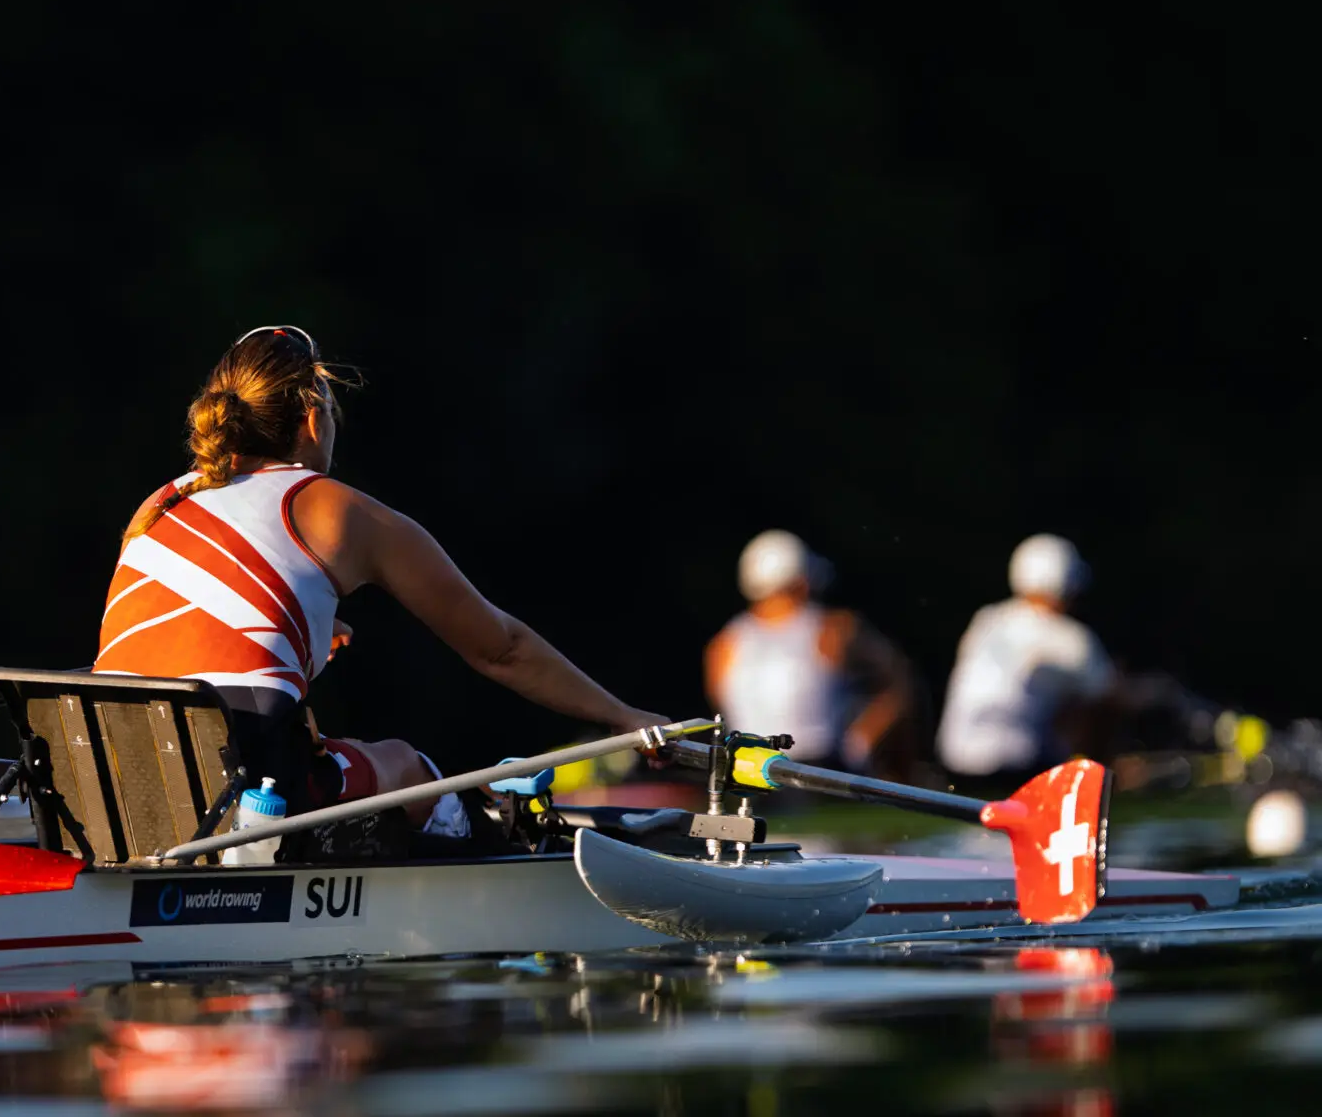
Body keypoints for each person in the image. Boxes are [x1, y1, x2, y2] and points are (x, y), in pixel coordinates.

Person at [94, 326, 663, 818]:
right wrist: (622, 716)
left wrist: (312, 627)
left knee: (335, 747)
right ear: (313, 420)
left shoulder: (159, 504)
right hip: (251, 785)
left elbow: (184, 633)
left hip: (111, 777)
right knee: (405, 764)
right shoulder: (336, 510)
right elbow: (502, 650)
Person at [704, 530, 916, 773]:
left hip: (747, 772)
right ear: (802, 580)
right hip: (819, 770)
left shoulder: (723, 644)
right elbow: (900, 687)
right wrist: (861, 741)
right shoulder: (834, 628)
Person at [937, 534, 1116, 781]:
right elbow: (1110, 696)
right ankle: (1094, 775)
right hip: (1018, 769)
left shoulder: (986, 620)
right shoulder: (1071, 638)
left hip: (955, 764)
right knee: (1092, 704)